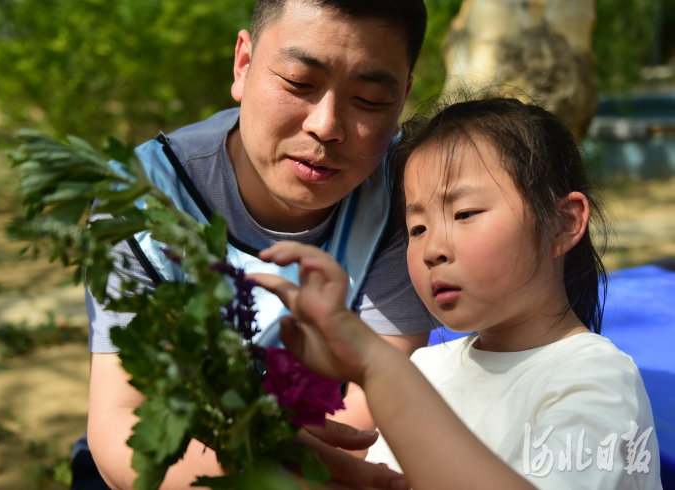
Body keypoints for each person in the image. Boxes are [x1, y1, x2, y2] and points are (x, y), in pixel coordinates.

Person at [73, 1, 433, 489]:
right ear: (243, 64)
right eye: (298, 83)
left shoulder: (407, 194)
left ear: (403, 97)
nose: (326, 126)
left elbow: (370, 406)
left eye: (369, 100)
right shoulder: (142, 198)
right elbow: (123, 418)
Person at [252, 97, 664, 489]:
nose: (432, 249)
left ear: (563, 224)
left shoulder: (596, 380)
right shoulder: (427, 367)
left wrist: (377, 367)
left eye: (464, 214)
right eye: (417, 228)